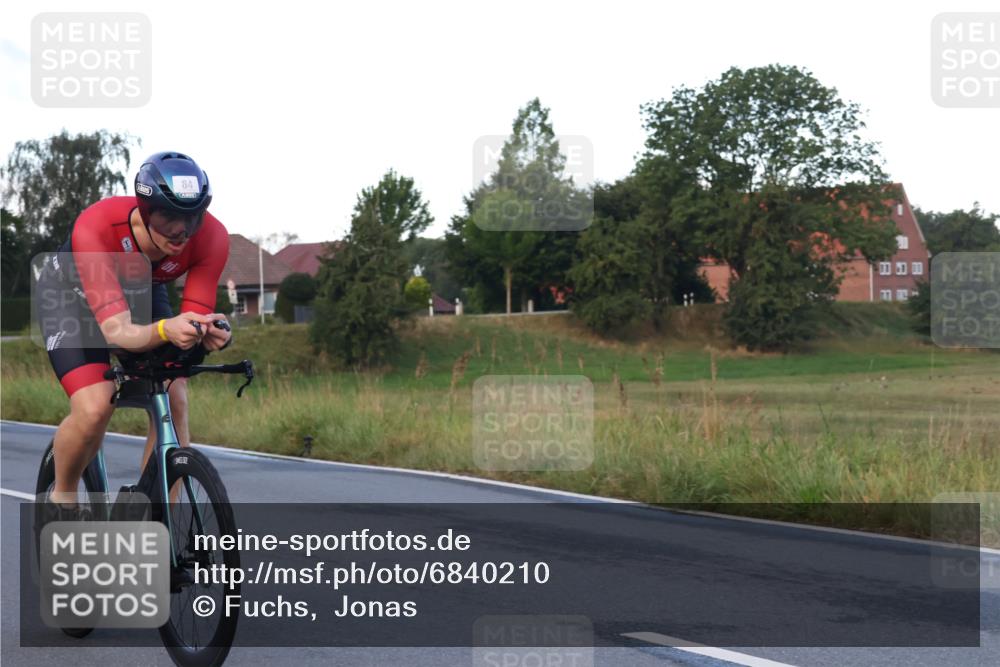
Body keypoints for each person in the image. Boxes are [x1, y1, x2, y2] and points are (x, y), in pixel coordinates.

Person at [36, 151, 232, 511]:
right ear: (144, 210)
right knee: (96, 406)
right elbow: (117, 331)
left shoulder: (213, 238)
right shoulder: (97, 225)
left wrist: (210, 331)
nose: (181, 229)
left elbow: (191, 323)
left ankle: (160, 521)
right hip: (71, 296)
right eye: (168, 215)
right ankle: (61, 497)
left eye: (192, 216)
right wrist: (163, 328)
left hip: (141, 289)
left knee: (175, 394)